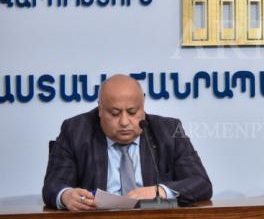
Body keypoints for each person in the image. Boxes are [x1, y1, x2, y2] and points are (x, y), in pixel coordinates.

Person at [42, 74, 212, 210]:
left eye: (132, 112)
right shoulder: (76, 131)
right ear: (100, 109)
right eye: (114, 113)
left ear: (143, 105)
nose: (124, 122)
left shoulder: (168, 130)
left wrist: (158, 191)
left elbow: (201, 183)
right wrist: (66, 195)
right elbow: (53, 185)